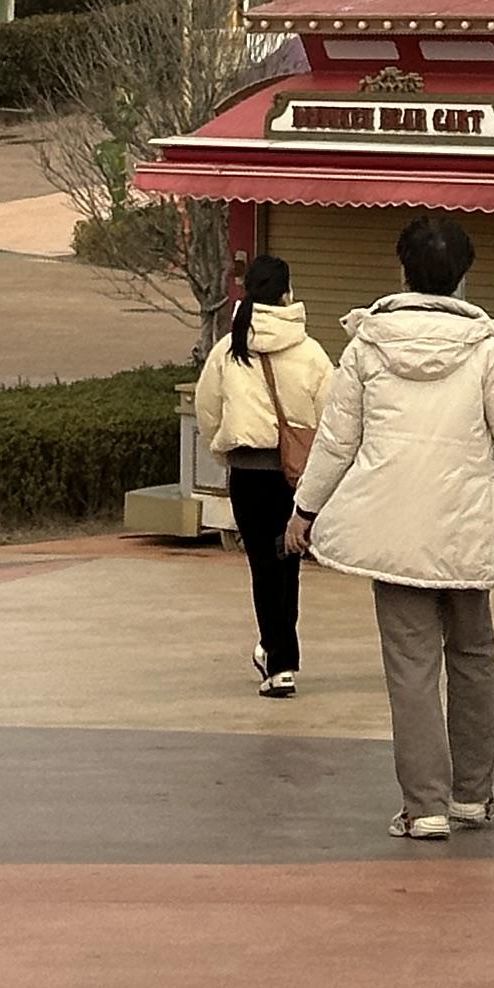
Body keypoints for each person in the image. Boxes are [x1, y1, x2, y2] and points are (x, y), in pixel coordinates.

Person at [288, 210, 494, 842]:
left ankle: (424, 808)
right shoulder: (485, 351)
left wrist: (304, 511)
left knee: (411, 668)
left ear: (403, 272)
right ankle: (472, 795)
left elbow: (336, 443)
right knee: (474, 657)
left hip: (392, 535)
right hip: (470, 533)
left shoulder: (365, 346)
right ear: (462, 275)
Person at [192, 254, 333, 696]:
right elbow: (332, 414)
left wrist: (224, 448)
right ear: (288, 294)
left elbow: (207, 411)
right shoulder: (310, 352)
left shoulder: (228, 349)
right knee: (287, 565)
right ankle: (280, 656)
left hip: (248, 474)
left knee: (263, 567)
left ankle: (277, 660)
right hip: (295, 477)